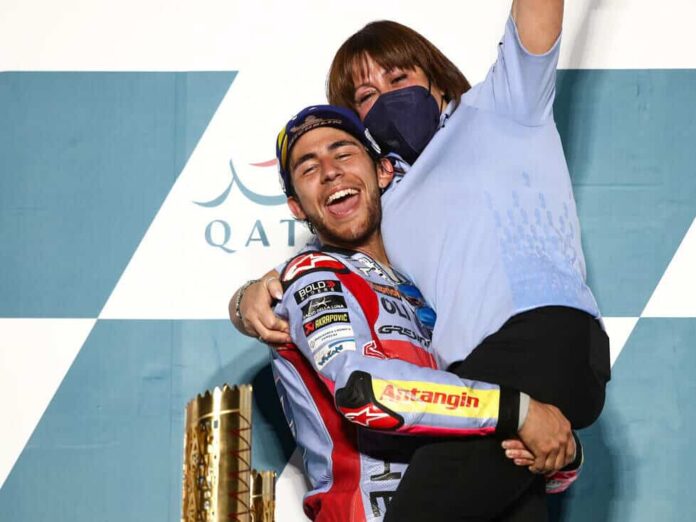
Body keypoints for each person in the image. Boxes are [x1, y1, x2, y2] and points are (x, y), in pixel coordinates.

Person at [232, 1, 610, 518]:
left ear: (434, 77)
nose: (388, 98)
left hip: (540, 339)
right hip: (474, 388)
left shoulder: (498, 107)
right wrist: (249, 297)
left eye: (398, 78)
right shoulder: (385, 198)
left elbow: (538, 17)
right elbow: (334, 267)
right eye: (366, 96)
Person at [270, 105, 581, 522]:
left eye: (343, 153)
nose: (330, 172)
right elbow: (365, 392)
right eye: (309, 168)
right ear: (296, 206)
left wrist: (558, 448)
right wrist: (518, 411)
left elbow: (495, 427)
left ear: (383, 171)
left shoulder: (427, 288)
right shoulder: (313, 277)